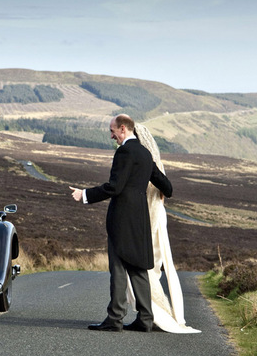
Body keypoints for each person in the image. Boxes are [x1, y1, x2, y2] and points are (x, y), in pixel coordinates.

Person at [70, 114, 172, 332]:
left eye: (112, 130)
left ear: (123, 128)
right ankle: (145, 320)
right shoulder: (145, 153)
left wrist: (84, 194)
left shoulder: (124, 152)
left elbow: (114, 187)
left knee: (117, 267)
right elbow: (167, 186)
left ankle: (115, 318)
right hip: (140, 218)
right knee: (138, 268)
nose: (111, 135)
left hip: (122, 219)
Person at [130, 124, 201, 333]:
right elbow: (166, 191)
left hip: (149, 218)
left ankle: (152, 314)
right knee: (153, 267)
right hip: (156, 216)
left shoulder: (143, 163)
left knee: (146, 267)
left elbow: (163, 190)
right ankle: (150, 314)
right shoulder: (156, 163)